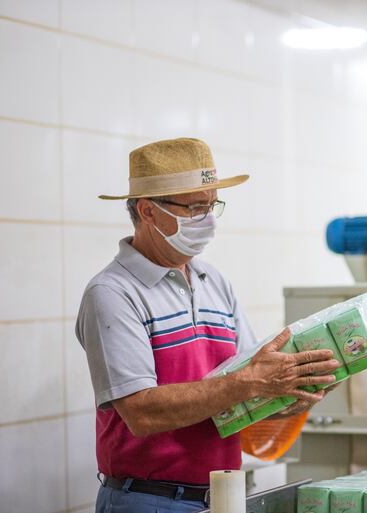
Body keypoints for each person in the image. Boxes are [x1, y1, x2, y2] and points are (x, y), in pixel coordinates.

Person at [76, 138, 341, 513]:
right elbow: (142, 411)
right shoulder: (113, 293)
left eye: (212, 204)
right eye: (196, 207)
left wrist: (299, 388)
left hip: (219, 497)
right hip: (148, 500)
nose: (209, 219)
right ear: (149, 211)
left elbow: (246, 396)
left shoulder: (213, 282)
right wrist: (252, 381)